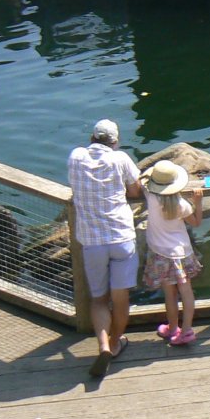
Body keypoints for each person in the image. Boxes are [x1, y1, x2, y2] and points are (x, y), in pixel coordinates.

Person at [68, 119, 142, 380]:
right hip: (121, 237)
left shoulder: (76, 156)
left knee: (99, 299)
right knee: (120, 299)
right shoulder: (120, 158)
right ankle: (115, 342)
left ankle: (102, 346)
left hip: (92, 242)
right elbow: (136, 189)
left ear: (91, 138)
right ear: (115, 141)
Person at [140, 159, 204, 346]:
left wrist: (149, 176)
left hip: (160, 253)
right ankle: (187, 331)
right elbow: (196, 222)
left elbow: (141, 181)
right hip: (182, 252)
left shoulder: (151, 198)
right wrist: (198, 202)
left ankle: (173, 327)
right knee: (186, 291)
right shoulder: (181, 204)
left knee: (170, 293)